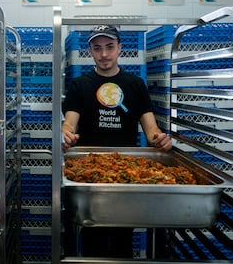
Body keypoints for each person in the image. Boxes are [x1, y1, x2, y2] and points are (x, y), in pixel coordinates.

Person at [61, 25, 172, 258]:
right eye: (97, 48)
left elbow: (151, 129)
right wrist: (65, 134)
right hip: (90, 173)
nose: (104, 54)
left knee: (123, 237)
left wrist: (159, 140)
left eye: (110, 47)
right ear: (90, 51)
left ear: (120, 48)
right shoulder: (80, 85)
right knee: (92, 238)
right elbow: (69, 123)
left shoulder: (135, 85)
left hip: (127, 174)